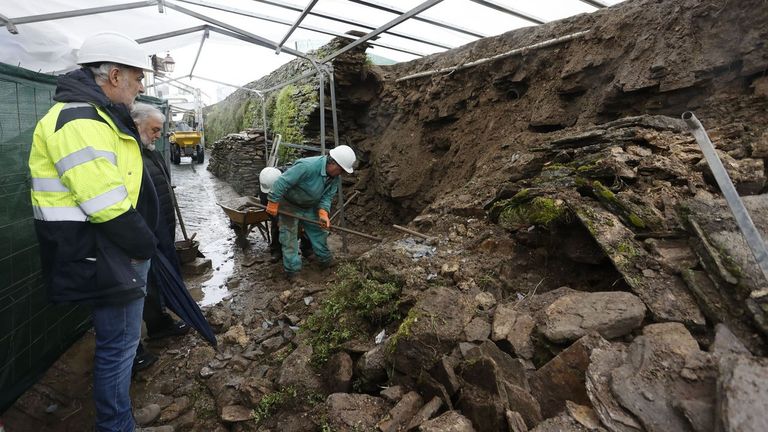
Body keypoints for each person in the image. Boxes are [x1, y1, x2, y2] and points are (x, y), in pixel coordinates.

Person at [28, 32, 160, 431]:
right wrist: (145, 246)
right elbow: (105, 203)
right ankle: (117, 425)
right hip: (105, 250)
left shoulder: (96, 116)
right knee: (119, 347)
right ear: (114, 75)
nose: (141, 87)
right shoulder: (80, 120)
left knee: (117, 343)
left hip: (107, 248)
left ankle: (118, 417)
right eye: (138, 78)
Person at [130, 103, 190, 372]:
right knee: (141, 287)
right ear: (137, 124)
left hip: (161, 228)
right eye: (154, 130)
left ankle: (159, 325)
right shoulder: (129, 155)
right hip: (143, 233)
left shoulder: (149, 153)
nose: (157, 135)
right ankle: (134, 349)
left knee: (156, 281)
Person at [265, 145, 357, 279]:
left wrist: (323, 212)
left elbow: (327, 197)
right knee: (289, 239)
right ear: (333, 163)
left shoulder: (334, 178)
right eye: (341, 170)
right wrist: (273, 202)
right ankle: (293, 272)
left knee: (320, 233)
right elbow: (281, 182)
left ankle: (326, 261)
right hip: (290, 205)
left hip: (309, 206)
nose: (341, 174)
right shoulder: (307, 166)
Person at [258, 166, 312, 263]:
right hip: (277, 206)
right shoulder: (266, 183)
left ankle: (307, 249)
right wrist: (277, 220)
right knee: (276, 226)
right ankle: (276, 251)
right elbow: (266, 205)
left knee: (304, 224)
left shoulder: (294, 178)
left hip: (295, 202)